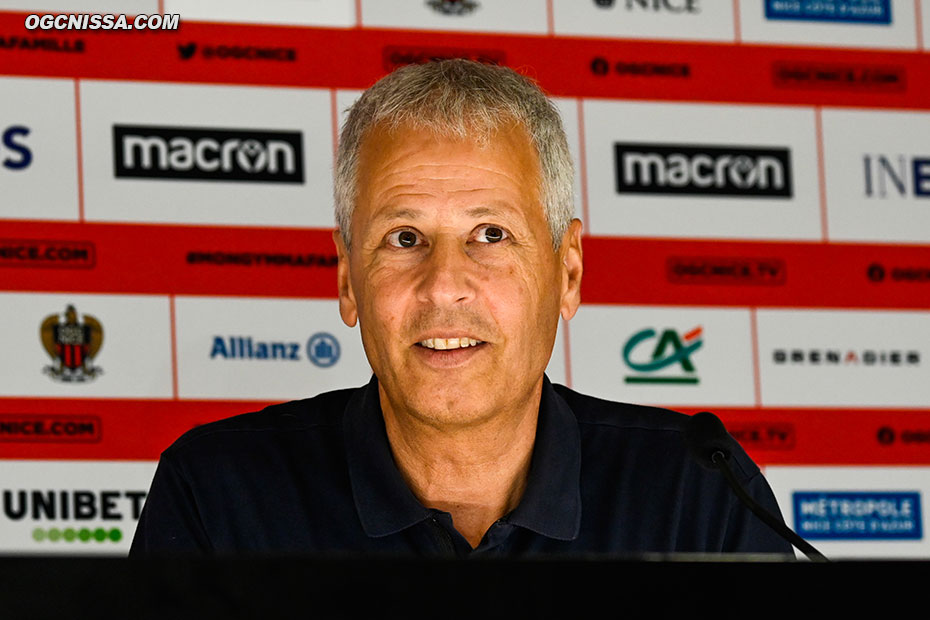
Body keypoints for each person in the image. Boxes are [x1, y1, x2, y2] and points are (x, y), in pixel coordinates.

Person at [130, 59, 793, 556]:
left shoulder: (699, 494)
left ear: (568, 271)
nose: (444, 285)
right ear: (347, 279)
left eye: (491, 235)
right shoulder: (216, 496)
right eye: (405, 238)